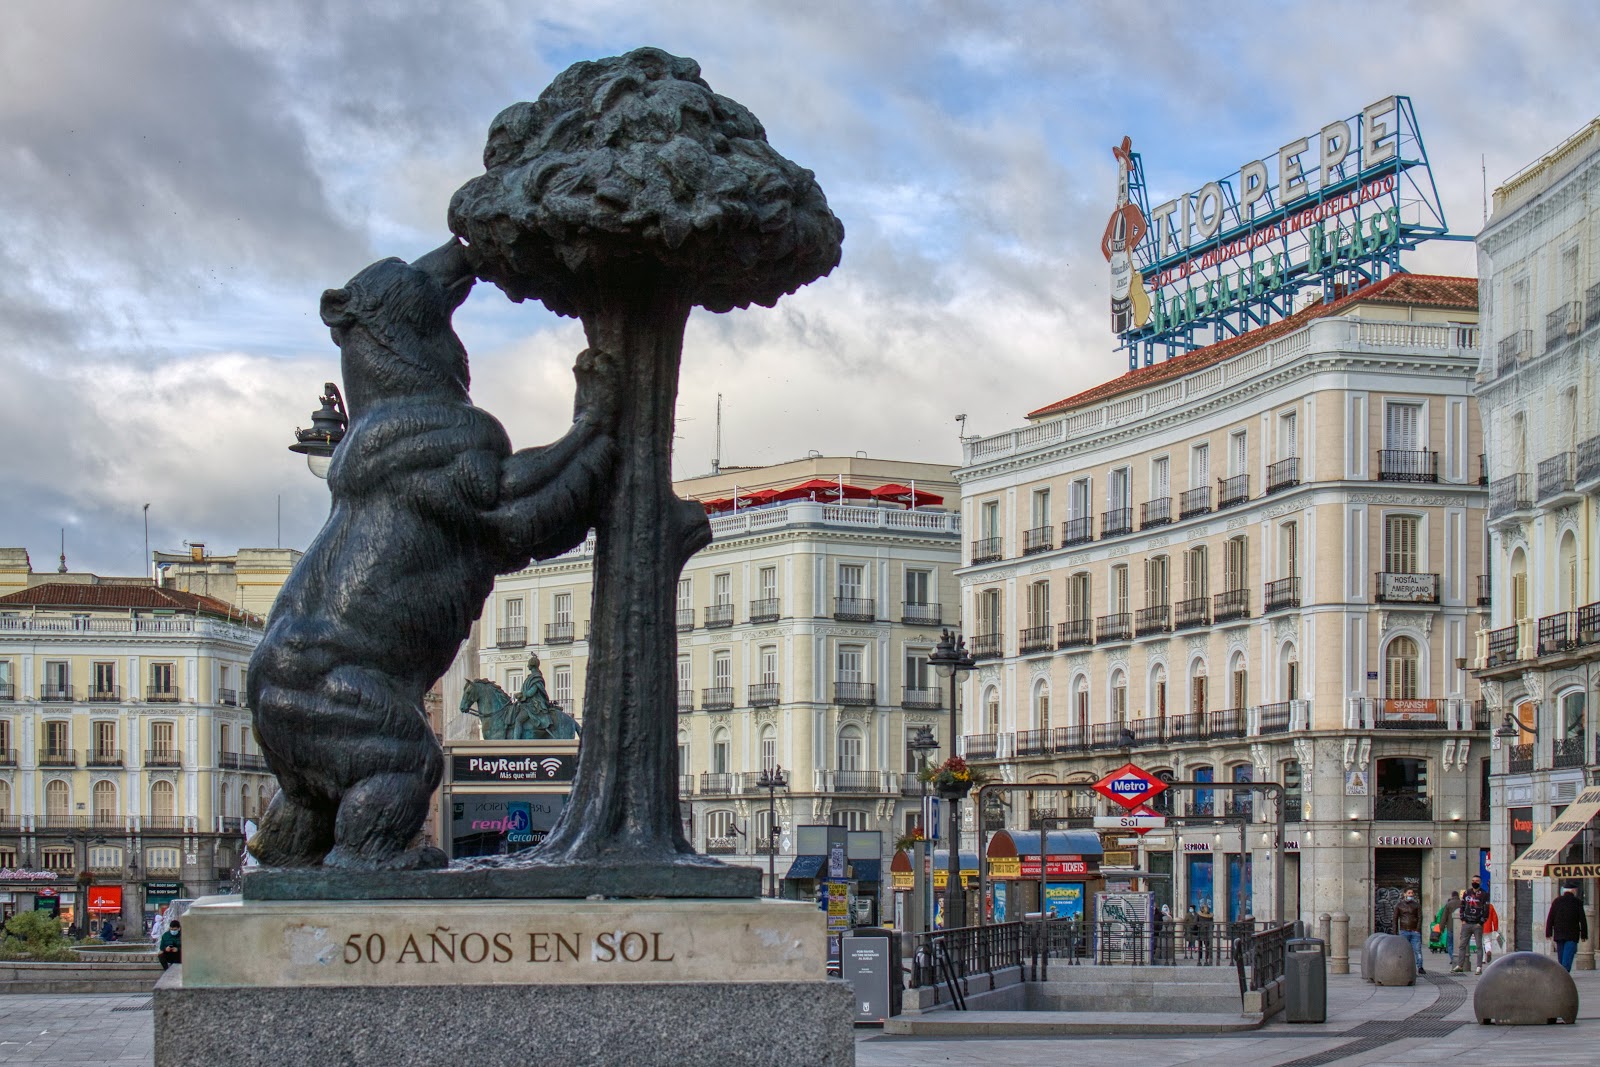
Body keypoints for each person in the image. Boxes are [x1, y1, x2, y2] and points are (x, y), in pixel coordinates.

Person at [1546, 884, 1587, 972]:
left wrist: (1548, 932)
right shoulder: (1577, 902)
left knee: (1561, 956)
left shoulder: (1556, 901)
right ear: (1574, 891)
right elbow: (1582, 919)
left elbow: (1550, 917)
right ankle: (1564, 973)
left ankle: (1562, 972)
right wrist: (1584, 934)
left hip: (1559, 933)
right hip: (1572, 934)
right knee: (1568, 956)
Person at [1454, 878, 1488, 974]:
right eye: (1473, 880)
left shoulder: (1484, 894)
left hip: (1477, 924)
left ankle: (1478, 967)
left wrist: (1480, 922)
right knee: (1462, 945)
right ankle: (1460, 965)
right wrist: (1463, 919)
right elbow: (1462, 906)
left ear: (1480, 882)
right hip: (1467, 923)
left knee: (1479, 946)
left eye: (1477, 881)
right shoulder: (1467, 893)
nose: (1474, 882)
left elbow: (1486, 910)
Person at [1394, 888, 1425, 974]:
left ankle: (1420, 967)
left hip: (1414, 931)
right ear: (1404, 894)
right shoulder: (1399, 905)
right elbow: (1395, 919)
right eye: (1409, 893)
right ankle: (1402, 966)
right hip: (1404, 931)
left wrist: (1418, 929)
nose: (1411, 894)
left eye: (1412, 893)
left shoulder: (1416, 905)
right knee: (1403, 950)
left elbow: (1420, 918)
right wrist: (1395, 932)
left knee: (1417, 950)